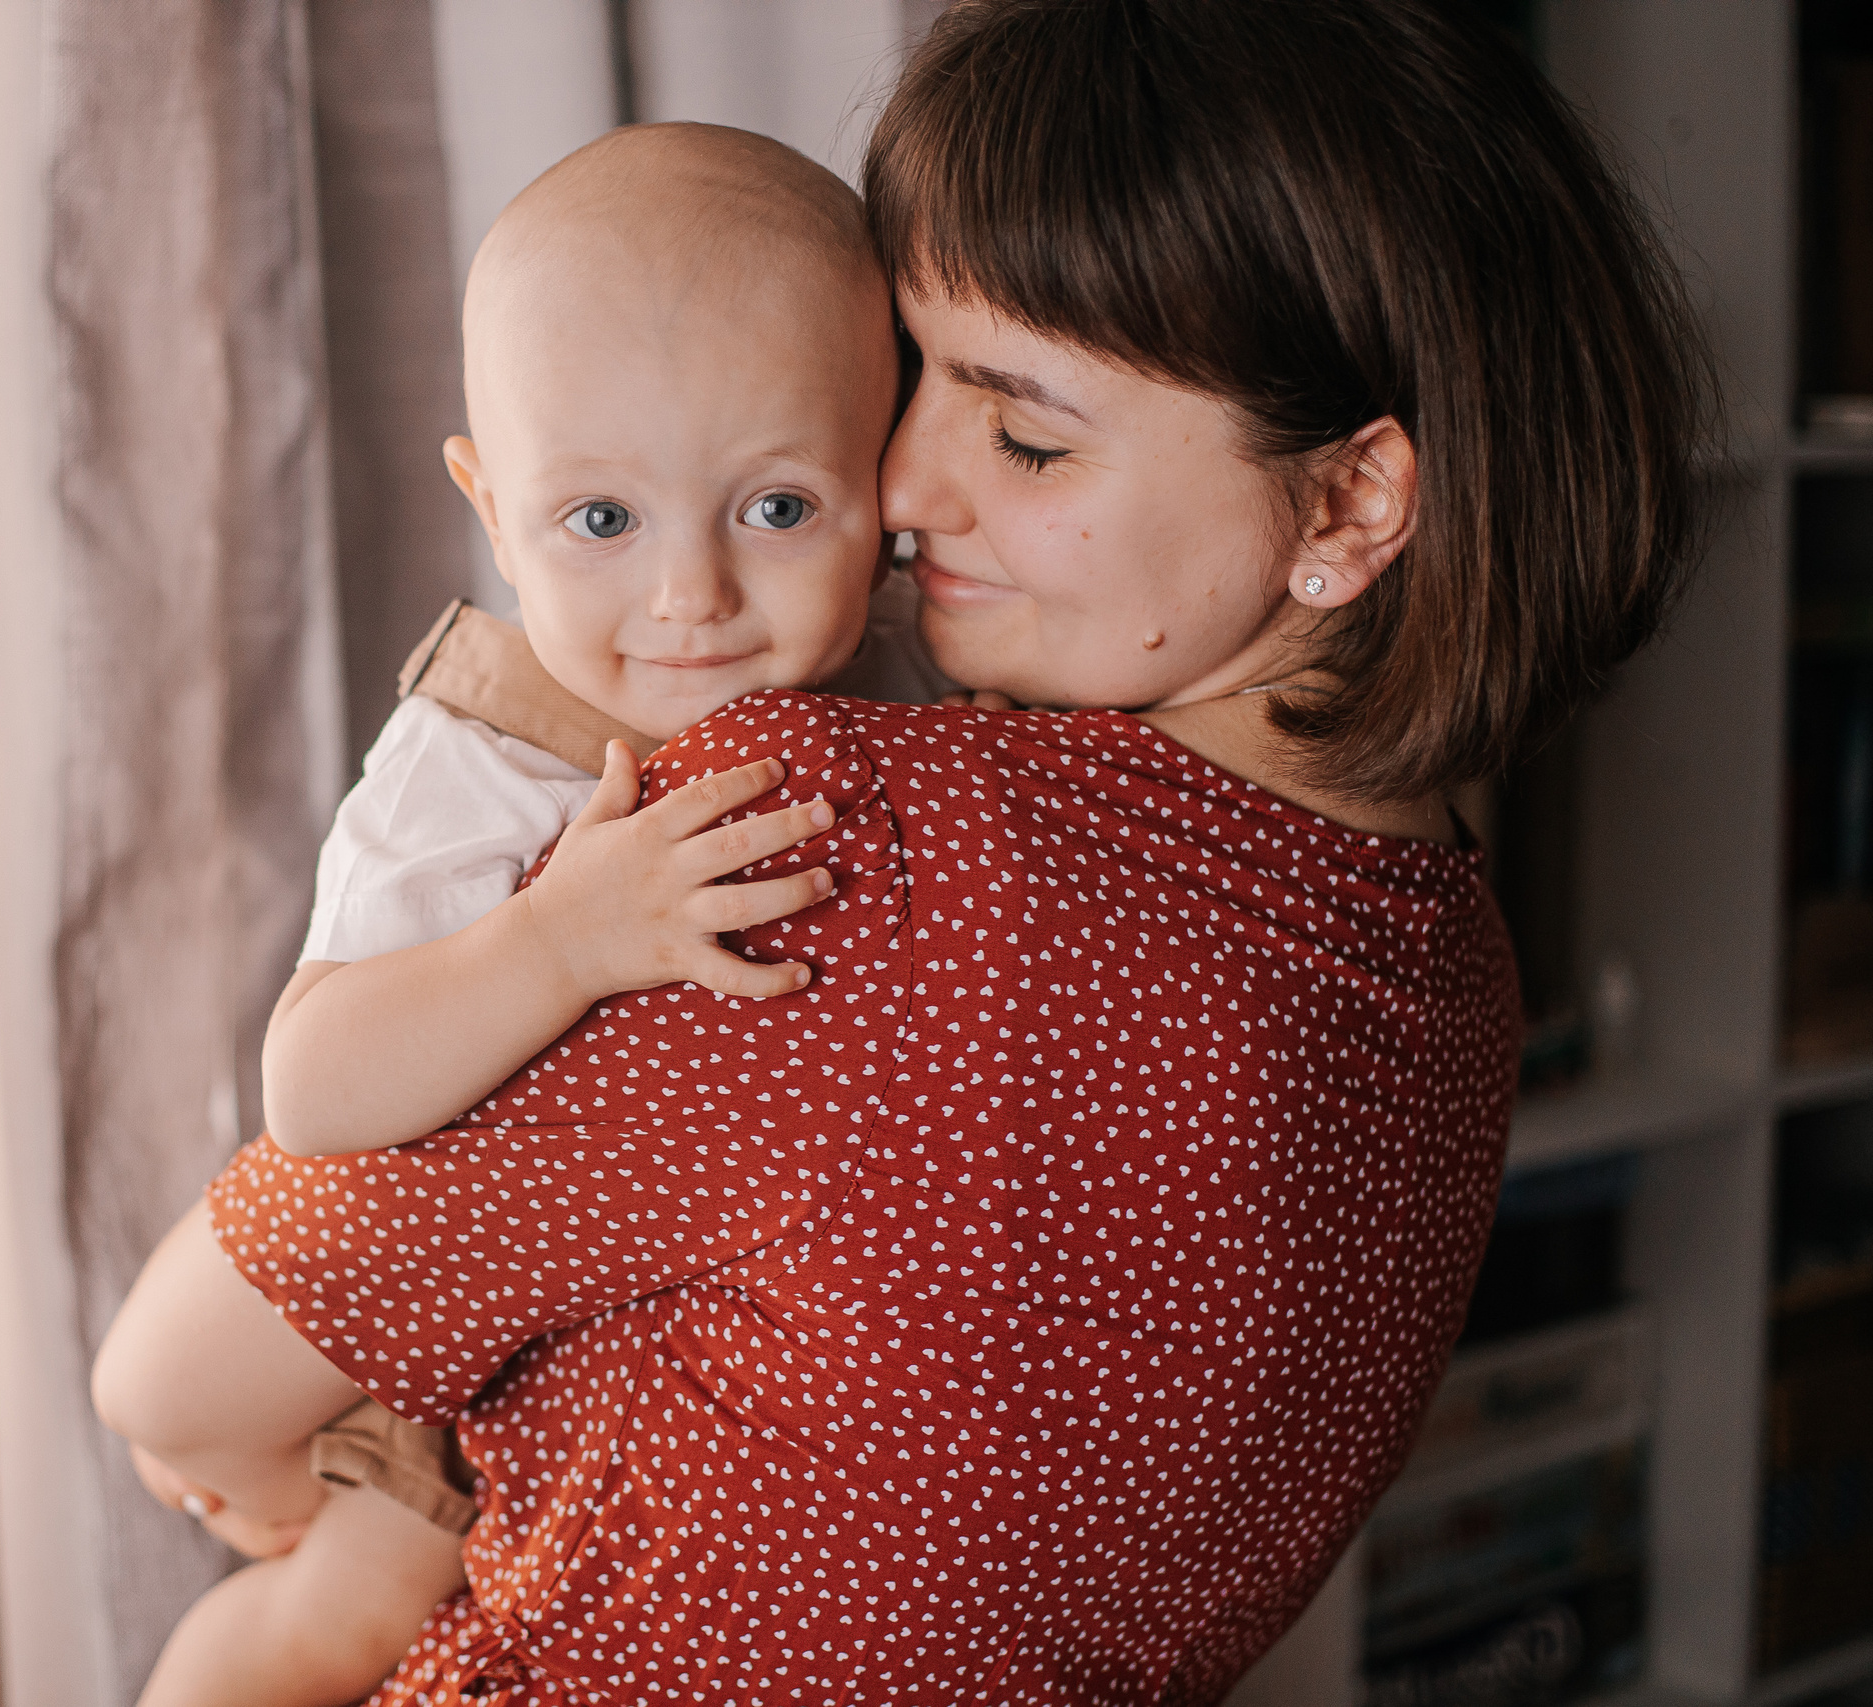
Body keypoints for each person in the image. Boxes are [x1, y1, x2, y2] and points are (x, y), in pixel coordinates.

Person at [99, 2, 1718, 1702]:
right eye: (911, 373)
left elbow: (180, 1378)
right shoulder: (1451, 978)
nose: (906, 486)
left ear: (1346, 507)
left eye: (1025, 434)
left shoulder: (851, 846)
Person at [93, 122, 954, 1707]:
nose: (690, 596)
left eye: (777, 508)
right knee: (326, 1633)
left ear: (886, 469)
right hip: (429, 1331)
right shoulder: (485, 757)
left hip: (651, 1352)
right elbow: (315, 1086)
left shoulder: (897, 673)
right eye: (601, 523)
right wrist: (556, 938)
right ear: (494, 510)